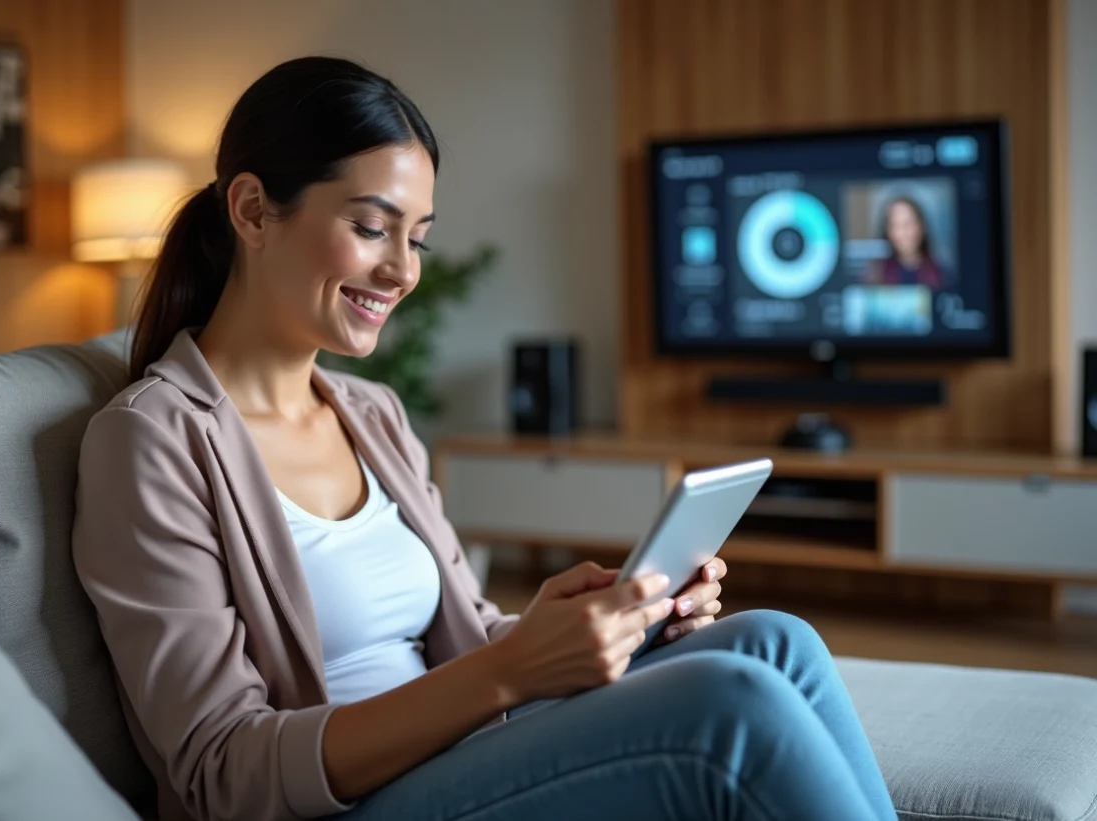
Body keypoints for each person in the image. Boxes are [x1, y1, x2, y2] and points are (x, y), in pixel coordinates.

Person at [72, 56, 898, 821]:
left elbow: (467, 635)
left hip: (460, 756)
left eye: (417, 237)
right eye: (372, 227)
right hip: (344, 807)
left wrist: (609, 624)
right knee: (731, 707)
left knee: (775, 641)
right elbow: (220, 769)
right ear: (253, 209)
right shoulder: (151, 441)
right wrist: (509, 669)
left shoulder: (372, 414)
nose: (403, 271)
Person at [867, 195, 946, 289]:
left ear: (921, 226)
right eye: (896, 225)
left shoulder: (941, 275)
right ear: (887, 231)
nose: (903, 233)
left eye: (908, 224)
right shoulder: (876, 275)